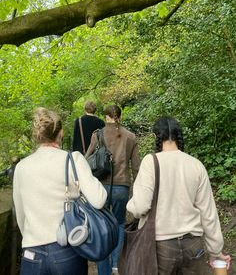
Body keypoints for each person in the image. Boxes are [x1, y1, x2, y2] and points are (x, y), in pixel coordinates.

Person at [126, 117, 231, 275]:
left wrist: (130, 206)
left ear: (156, 136)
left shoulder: (151, 162)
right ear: (178, 136)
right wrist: (216, 251)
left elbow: (140, 207)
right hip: (193, 245)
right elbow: (208, 213)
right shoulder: (196, 165)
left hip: (160, 245)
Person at [13, 107, 107, 275]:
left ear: (37, 135)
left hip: (31, 251)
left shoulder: (21, 167)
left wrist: (32, 235)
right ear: (61, 133)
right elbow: (99, 200)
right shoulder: (73, 159)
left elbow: (20, 215)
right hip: (66, 248)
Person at [85, 105, 141, 275]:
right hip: (121, 188)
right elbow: (137, 167)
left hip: (100, 188)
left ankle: (104, 271)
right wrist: (135, 191)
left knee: (101, 228)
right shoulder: (131, 137)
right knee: (119, 224)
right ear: (120, 117)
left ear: (105, 117)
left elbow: (86, 160)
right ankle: (117, 265)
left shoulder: (97, 134)